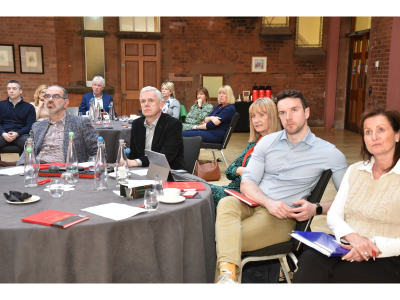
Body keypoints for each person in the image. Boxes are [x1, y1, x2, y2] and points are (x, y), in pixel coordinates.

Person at [214, 90, 348, 284]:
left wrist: (317, 208)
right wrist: (268, 203)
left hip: (281, 217)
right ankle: (228, 280)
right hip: (255, 203)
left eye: (294, 110)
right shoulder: (267, 142)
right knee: (226, 202)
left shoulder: (329, 153)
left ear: (307, 112)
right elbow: (247, 182)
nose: (288, 117)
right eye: (283, 112)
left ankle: (226, 279)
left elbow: (351, 200)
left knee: (218, 239)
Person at [293, 106, 400, 283]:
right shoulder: (355, 170)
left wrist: (369, 246)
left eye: (381, 130)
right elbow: (334, 214)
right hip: (346, 244)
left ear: (397, 135)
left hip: (386, 255)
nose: (374, 137)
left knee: (338, 277)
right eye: (368, 131)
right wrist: (354, 238)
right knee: (310, 260)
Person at [210, 98, 281, 209]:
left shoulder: (277, 145)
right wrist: (240, 170)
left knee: (202, 192)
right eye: (253, 116)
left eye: (261, 115)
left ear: (272, 116)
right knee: (197, 187)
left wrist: (245, 173)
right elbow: (229, 171)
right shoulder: (254, 143)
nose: (256, 120)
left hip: (245, 196)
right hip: (233, 189)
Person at [17, 85, 100, 165]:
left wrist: (87, 169)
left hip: (65, 171)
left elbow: (97, 151)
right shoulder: (37, 126)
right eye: (47, 96)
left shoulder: (80, 123)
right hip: (38, 169)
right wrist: (21, 166)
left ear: (65, 103)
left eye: (56, 96)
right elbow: (28, 151)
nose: (50, 99)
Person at [127, 86, 185, 170]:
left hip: (168, 174)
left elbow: (164, 157)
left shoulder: (173, 124)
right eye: (143, 101)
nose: (146, 104)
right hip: (140, 173)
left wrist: (136, 162)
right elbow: (133, 155)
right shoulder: (137, 124)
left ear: (161, 104)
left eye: (151, 100)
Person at [0, 80, 36, 154]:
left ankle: (25, 164)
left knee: (31, 145)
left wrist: (17, 134)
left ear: (20, 91)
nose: (11, 91)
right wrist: (3, 133)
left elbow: (30, 126)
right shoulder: (0, 105)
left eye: (14, 88)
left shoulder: (29, 107)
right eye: (9, 88)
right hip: (3, 134)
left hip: (21, 135)